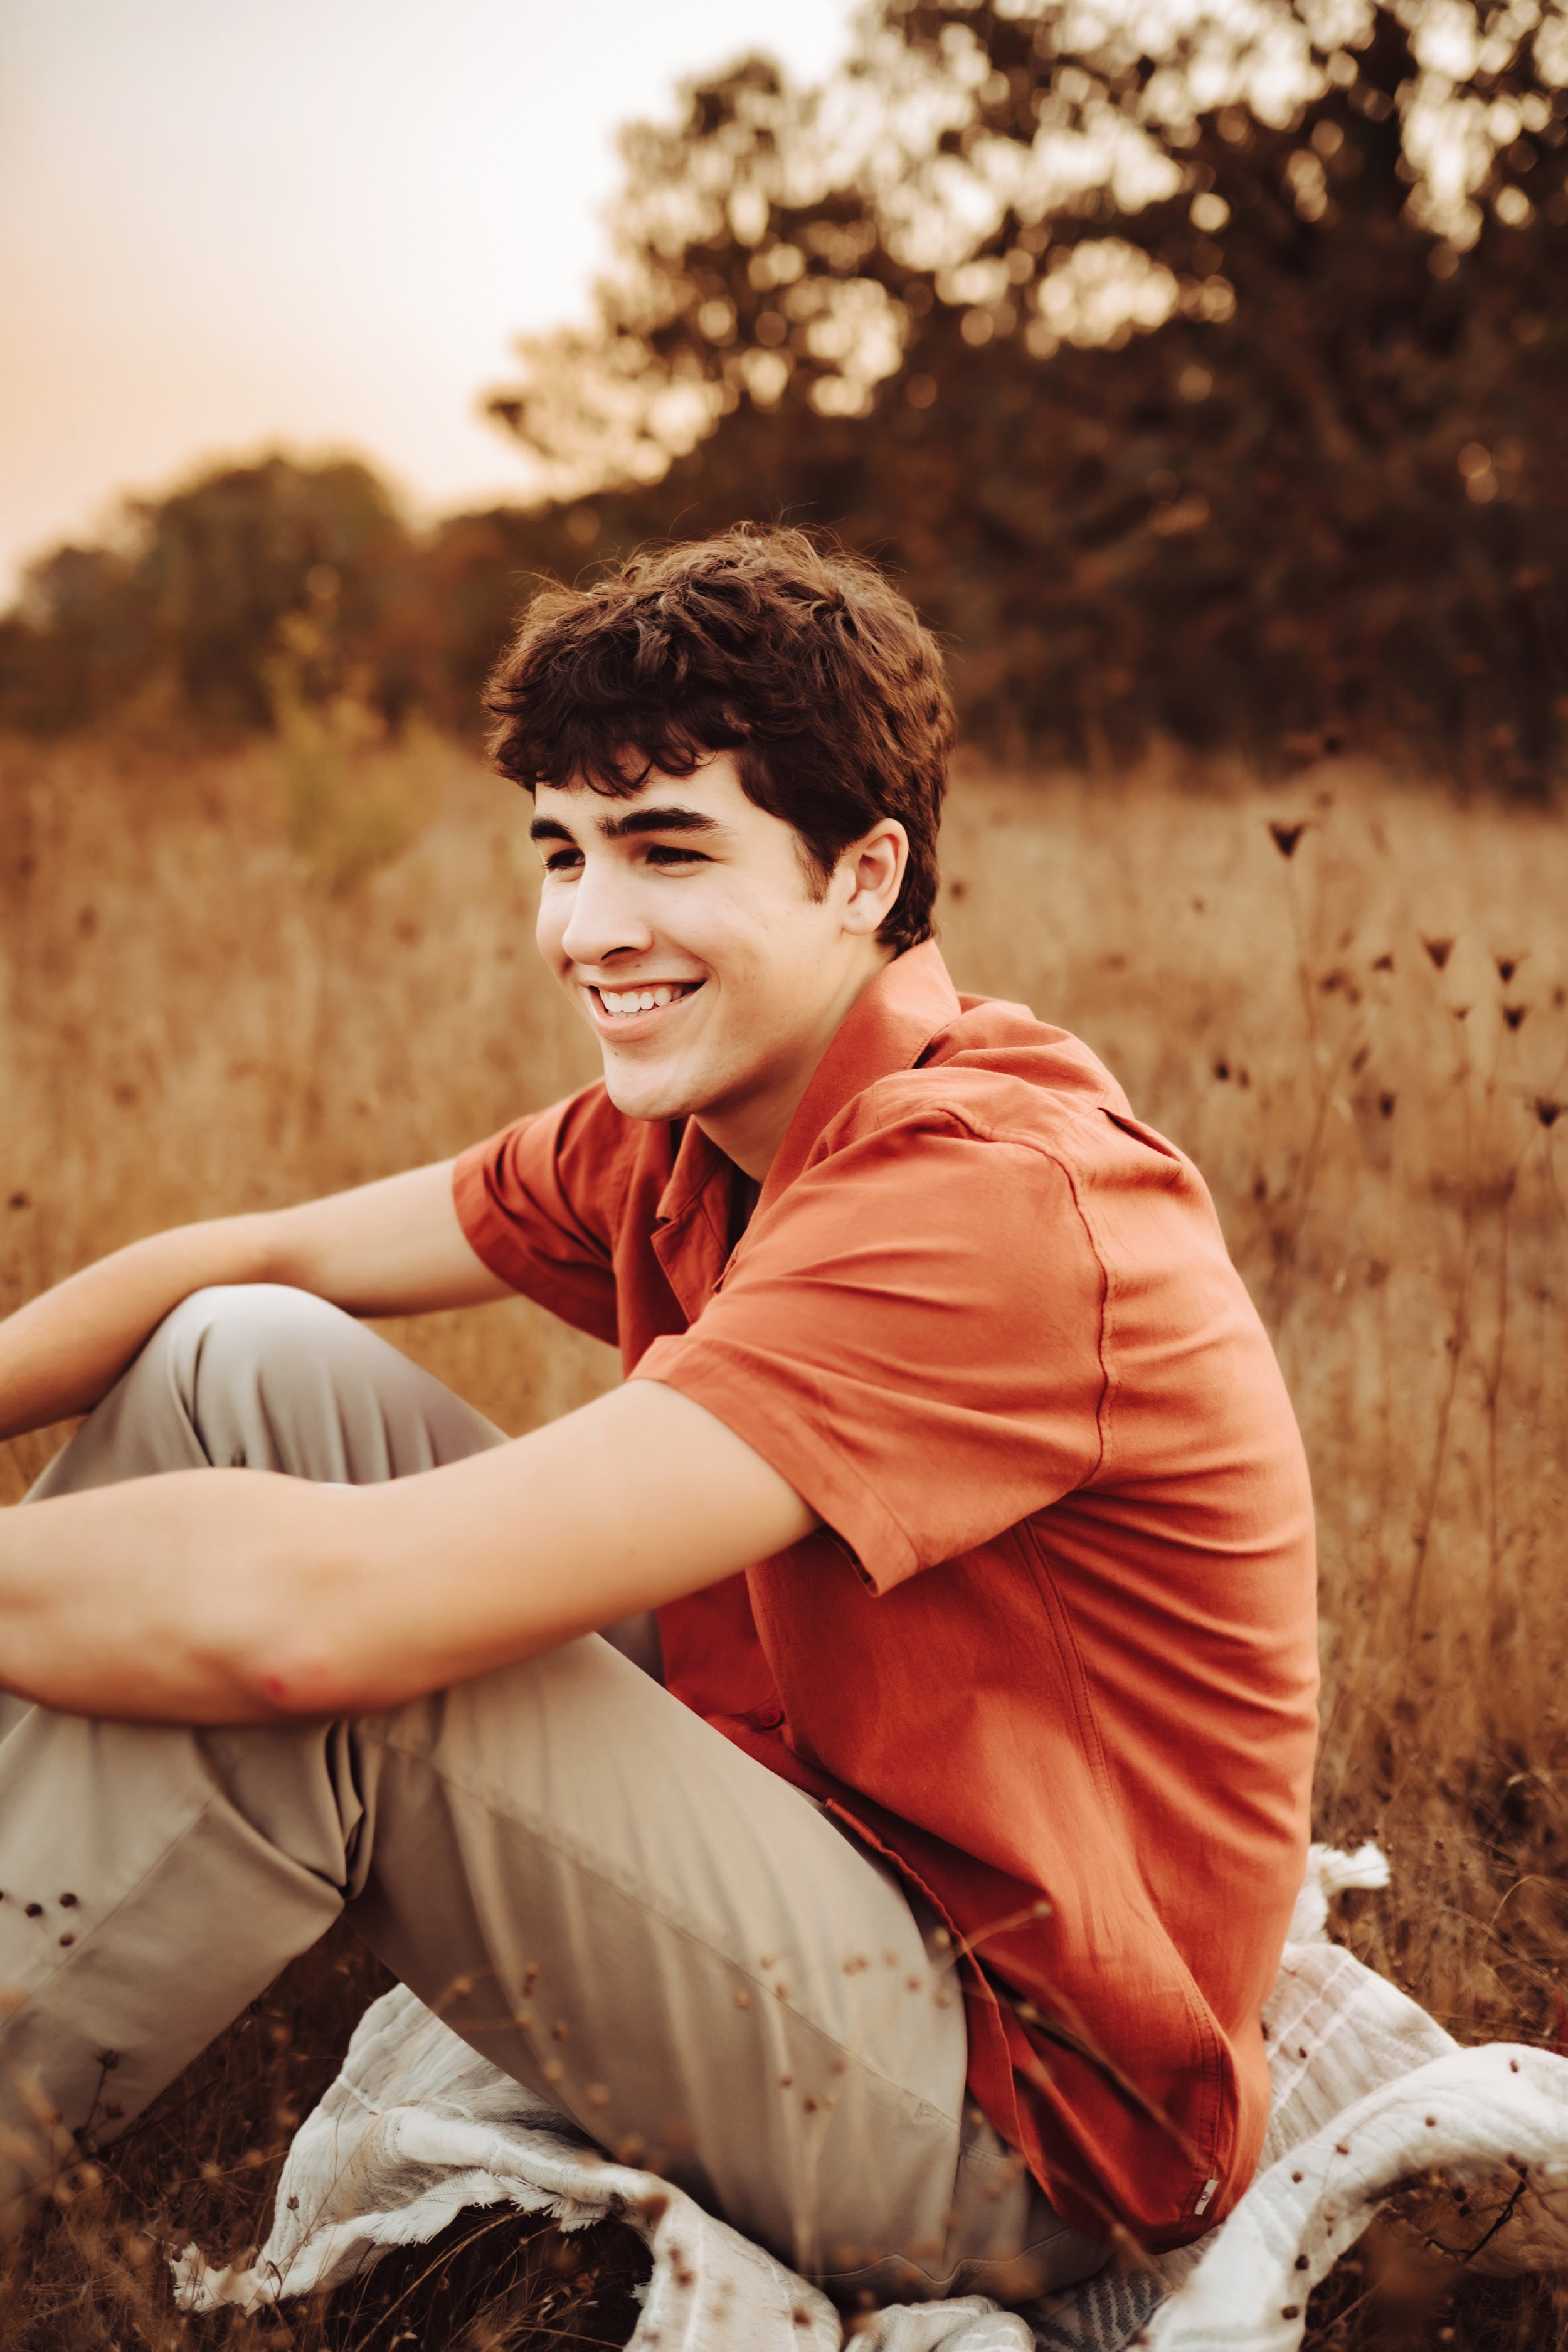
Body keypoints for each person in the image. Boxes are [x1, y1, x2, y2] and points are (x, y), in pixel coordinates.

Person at [0, 528, 1318, 2309]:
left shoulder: (986, 1199)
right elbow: (250, 1255)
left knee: (359, 1685)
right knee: (244, 1355)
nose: (585, 925)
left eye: (666, 848)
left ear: (864, 874)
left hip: (1010, 2109)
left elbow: (323, 1627)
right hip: (816, 1839)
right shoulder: (701, 1118)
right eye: (562, 849)